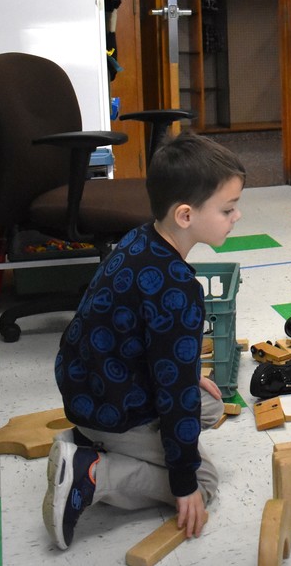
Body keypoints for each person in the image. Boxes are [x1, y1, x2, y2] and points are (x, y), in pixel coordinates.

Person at [45, 133, 246, 550]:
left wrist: (190, 377)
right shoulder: (178, 291)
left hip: (88, 386)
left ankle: (89, 440)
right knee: (205, 481)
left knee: (207, 405)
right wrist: (184, 479)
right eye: (227, 209)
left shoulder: (140, 238)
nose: (236, 216)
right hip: (112, 406)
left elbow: (153, 350)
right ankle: (93, 471)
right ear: (186, 216)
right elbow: (173, 395)